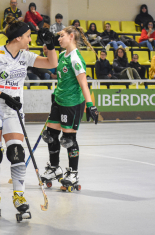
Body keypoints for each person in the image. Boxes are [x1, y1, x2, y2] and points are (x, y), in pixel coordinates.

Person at [0, 15, 57, 217]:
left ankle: (19, 195)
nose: (30, 40)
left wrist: (50, 44)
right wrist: (5, 96)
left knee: (17, 153)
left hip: (13, 109)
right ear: (17, 38)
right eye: (28, 36)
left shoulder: (25, 56)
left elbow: (51, 63)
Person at [40, 26, 98, 192]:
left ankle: (73, 173)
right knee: (50, 135)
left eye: (61, 36)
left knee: (68, 139)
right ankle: (54, 168)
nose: (59, 39)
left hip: (72, 103)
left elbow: (83, 83)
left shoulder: (76, 59)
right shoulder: (61, 55)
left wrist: (90, 105)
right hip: (58, 100)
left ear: (71, 36)